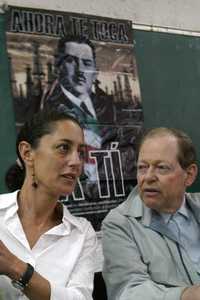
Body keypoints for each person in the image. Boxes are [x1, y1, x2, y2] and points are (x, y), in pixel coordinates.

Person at [1, 108, 97, 300]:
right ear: (27, 153)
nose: (76, 161)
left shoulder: (82, 233)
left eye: (80, 152)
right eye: (64, 148)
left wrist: (15, 267)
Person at [102, 127, 200, 300]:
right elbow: (127, 292)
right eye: (142, 167)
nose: (148, 177)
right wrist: (186, 295)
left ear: (189, 175)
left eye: (161, 168)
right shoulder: (120, 223)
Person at [42, 35, 114, 185]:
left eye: (87, 63)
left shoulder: (109, 106)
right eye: (71, 61)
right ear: (58, 66)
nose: (80, 70)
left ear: (95, 71)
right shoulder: (45, 108)